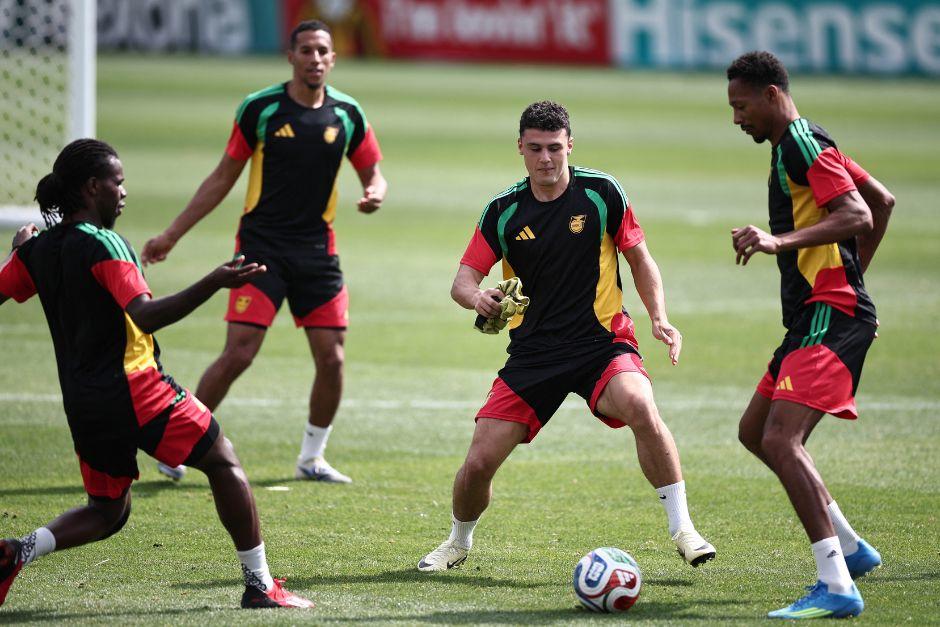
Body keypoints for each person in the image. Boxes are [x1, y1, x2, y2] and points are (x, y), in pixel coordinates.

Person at [0, 139, 313, 610]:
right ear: (91, 187)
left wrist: (24, 252)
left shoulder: (37, 251)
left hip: (83, 402)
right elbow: (144, 315)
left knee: (108, 511)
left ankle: (15, 552)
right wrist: (215, 280)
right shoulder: (103, 243)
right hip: (136, 388)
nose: (124, 191)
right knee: (223, 461)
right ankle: (259, 585)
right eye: (117, 181)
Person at [417, 101, 716, 572]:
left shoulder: (602, 193)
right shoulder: (504, 210)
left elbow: (639, 258)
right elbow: (462, 282)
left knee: (640, 404)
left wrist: (659, 317)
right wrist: (478, 299)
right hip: (533, 356)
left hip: (602, 345)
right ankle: (457, 541)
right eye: (535, 148)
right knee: (478, 464)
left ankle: (684, 530)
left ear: (570, 146)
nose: (546, 159)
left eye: (555, 148)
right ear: (520, 148)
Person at [141, 19, 387, 484]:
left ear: (333, 59)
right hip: (261, 249)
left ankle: (312, 457)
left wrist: (375, 191)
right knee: (239, 353)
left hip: (317, 252)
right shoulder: (260, 109)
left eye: (323, 51)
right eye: (307, 50)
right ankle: (174, 446)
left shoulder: (348, 114)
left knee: (332, 358)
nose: (316, 59)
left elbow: (374, 171)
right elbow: (221, 178)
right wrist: (172, 235)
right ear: (290, 57)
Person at [726, 51, 894, 619]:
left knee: (780, 439)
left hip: (829, 313)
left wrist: (781, 244)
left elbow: (857, 214)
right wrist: (852, 278)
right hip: (818, 313)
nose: (736, 118)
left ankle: (838, 584)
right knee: (755, 430)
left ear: (772, 94)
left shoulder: (800, 141)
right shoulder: (806, 141)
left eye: (741, 105)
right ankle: (851, 547)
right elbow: (882, 199)